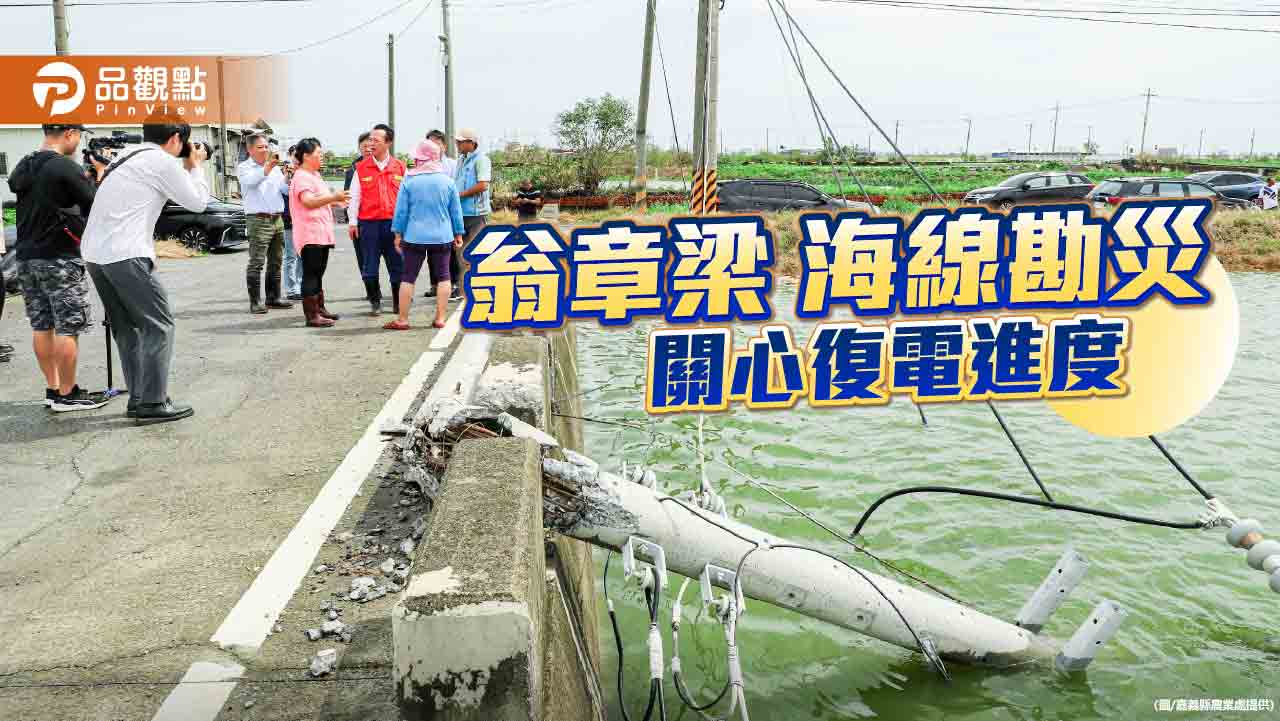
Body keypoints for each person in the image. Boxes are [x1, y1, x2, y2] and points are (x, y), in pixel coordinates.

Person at [81, 113, 209, 425]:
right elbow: (198, 202)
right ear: (176, 138)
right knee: (159, 325)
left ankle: (138, 399)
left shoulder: (126, 156)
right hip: (126, 254)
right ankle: (153, 402)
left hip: (96, 254)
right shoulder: (162, 161)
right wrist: (196, 165)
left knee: (127, 328)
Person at [7, 123, 107, 411]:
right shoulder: (63, 166)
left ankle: (53, 389)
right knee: (68, 325)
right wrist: (100, 172)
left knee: (42, 324)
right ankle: (67, 393)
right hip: (58, 257)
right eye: (79, 135)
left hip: (26, 257)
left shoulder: (24, 165)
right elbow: (95, 202)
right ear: (69, 134)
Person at [387, 141, 464, 331]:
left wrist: (398, 234)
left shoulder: (409, 181)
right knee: (444, 276)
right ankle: (440, 318)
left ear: (420, 159)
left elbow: (401, 212)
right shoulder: (447, 182)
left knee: (408, 277)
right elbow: (455, 211)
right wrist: (458, 233)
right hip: (442, 236)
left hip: (414, 236)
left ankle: (403, 320)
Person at [289, 138, 350, 328]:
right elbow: (308, 201)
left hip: (321, 232)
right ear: (306, 156)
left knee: (318, 273)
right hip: (310, 233)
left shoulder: (314, 175)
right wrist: (333, 197)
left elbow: (321, 198)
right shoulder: (301, 176)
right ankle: (312, 315)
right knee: (311, 273)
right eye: (318, 154)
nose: (322, 157)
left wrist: (337, 201)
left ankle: (319, 309)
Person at [348, 123, 406, 316]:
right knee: (369, 265)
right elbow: (354, 197)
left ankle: (398, 303)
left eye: (376, 140)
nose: (371, 143)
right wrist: (353, 222)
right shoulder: (361, 168)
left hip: (394, 226)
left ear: (388, 142)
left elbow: (407, 199)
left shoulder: (400, 167)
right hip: (369, 225)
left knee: (397, 265)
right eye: (370, 140)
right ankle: (375, 302)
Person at [237, 134, 293, 314]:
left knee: (276, 261)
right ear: (250, 149)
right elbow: (251, 182)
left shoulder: (274, 168)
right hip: (258, 219)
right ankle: (255, 302)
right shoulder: (244, 168)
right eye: (260, 147)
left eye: (266, 147)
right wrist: (267, 168)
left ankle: (273, 298)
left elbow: (284, 190)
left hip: (277, 219)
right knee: (257, 262)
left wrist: (288, 178)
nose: (265, 150)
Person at [453, 128, 491, 303]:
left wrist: (460, 195)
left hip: (476, 214)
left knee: (476, 251)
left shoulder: (481, 160)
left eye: (460, 142)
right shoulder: (461, 160)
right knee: (460, 253)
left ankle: (480, 287)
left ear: (471, 143)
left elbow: (483, 185)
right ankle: (464, 288)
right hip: (460, 213)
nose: (457, 144)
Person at [344, 131, 372, 273]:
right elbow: (347, 196)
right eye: (364, 146)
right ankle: (369, 285)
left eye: (370, 146)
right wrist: (351, 220)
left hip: (383, 221)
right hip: (360, 221)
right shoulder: (352, 170)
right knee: (364, 260)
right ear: (359, 148)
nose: (367, 149)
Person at [281, 146, 303, 300]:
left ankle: (300, 286)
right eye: (294, 155)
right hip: (289, 220)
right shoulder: (284, 173)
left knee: (302, 256)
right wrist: (287, 176)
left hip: (303, 220)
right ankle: (291, 289)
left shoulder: (306, 173)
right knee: (290, 256)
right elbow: (284, 191)